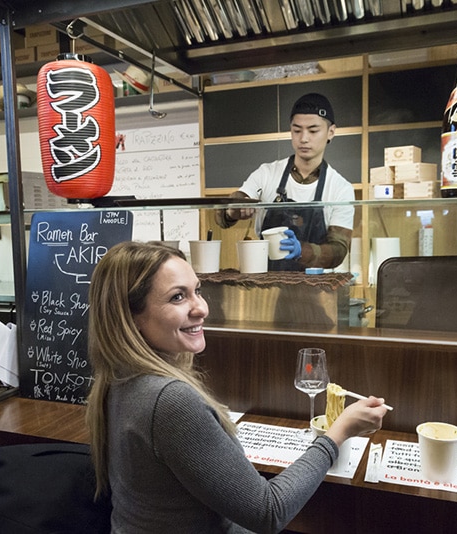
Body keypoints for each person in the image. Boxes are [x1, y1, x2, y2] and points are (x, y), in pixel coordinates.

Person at [86, 241, 387, 533]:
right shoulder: (169, 400)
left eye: (197, 291)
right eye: (178, 297)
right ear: (131, 317)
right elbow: (270, 511)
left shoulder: (118, 376)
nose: (201, 308)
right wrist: (339, 432)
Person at [215, 93, 355, 271]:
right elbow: (221, 217)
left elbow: (338, 250)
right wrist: (233, 207)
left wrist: (302, 251)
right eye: (297, 130)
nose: (303, 138)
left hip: (316, 289)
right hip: (267, 287)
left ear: (331, 132)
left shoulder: (340, 188)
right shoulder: (266, 174)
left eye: (313, 131)